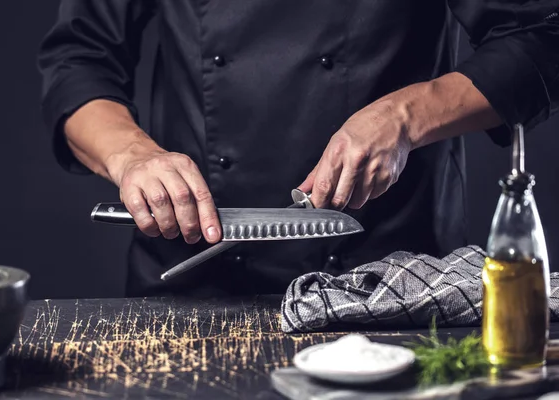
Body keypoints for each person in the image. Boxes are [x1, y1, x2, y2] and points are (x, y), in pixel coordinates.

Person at [38, 0, 559, 298]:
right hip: (193, 280)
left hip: (384, 279)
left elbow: (543, 34)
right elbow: (79, 58)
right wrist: (132, 156)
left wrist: (407, 115)